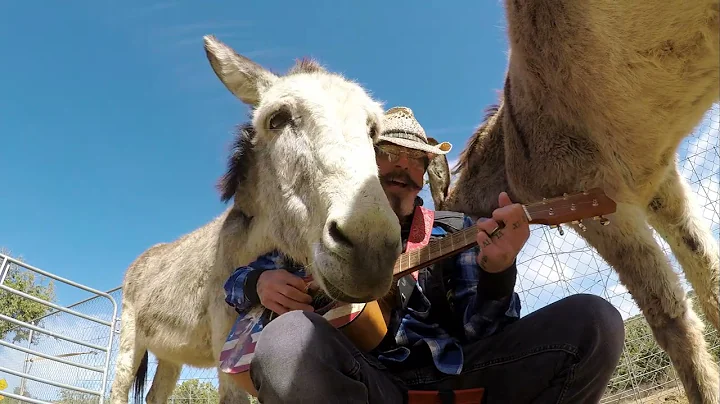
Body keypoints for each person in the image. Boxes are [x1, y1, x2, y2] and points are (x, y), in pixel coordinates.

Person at [219, 106, 626, 403]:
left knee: (593, 320)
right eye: (388, 154)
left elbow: (483, 332)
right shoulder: (327, 231)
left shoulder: (456, 228)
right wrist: (259, 283)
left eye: (416, 159)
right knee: (285, 339)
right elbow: (235, 283)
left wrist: (498, 272)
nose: (403, 168)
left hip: (456, 374)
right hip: (364, 385)